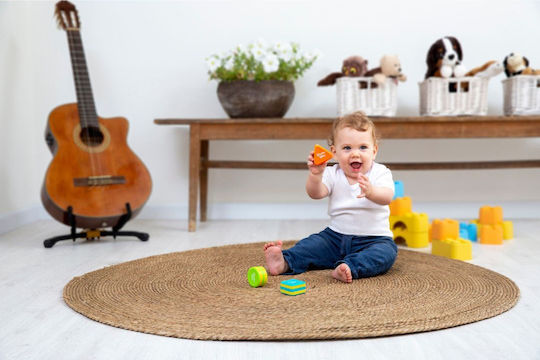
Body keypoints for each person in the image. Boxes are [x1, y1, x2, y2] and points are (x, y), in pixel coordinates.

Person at [264, 111, 397, 283]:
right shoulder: (332, 173)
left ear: (374, 150)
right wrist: (316, 175)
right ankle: (284, 261)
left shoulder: (380, 172)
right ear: (334, 152)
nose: (355, 154)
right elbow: (315, 193)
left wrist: (371, 191)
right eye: (347, 148)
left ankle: (349, 267)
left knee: (386, 254)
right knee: (311, 245)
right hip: (335, 237)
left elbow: (387, 197)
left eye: (363, 147)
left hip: (374, 239)